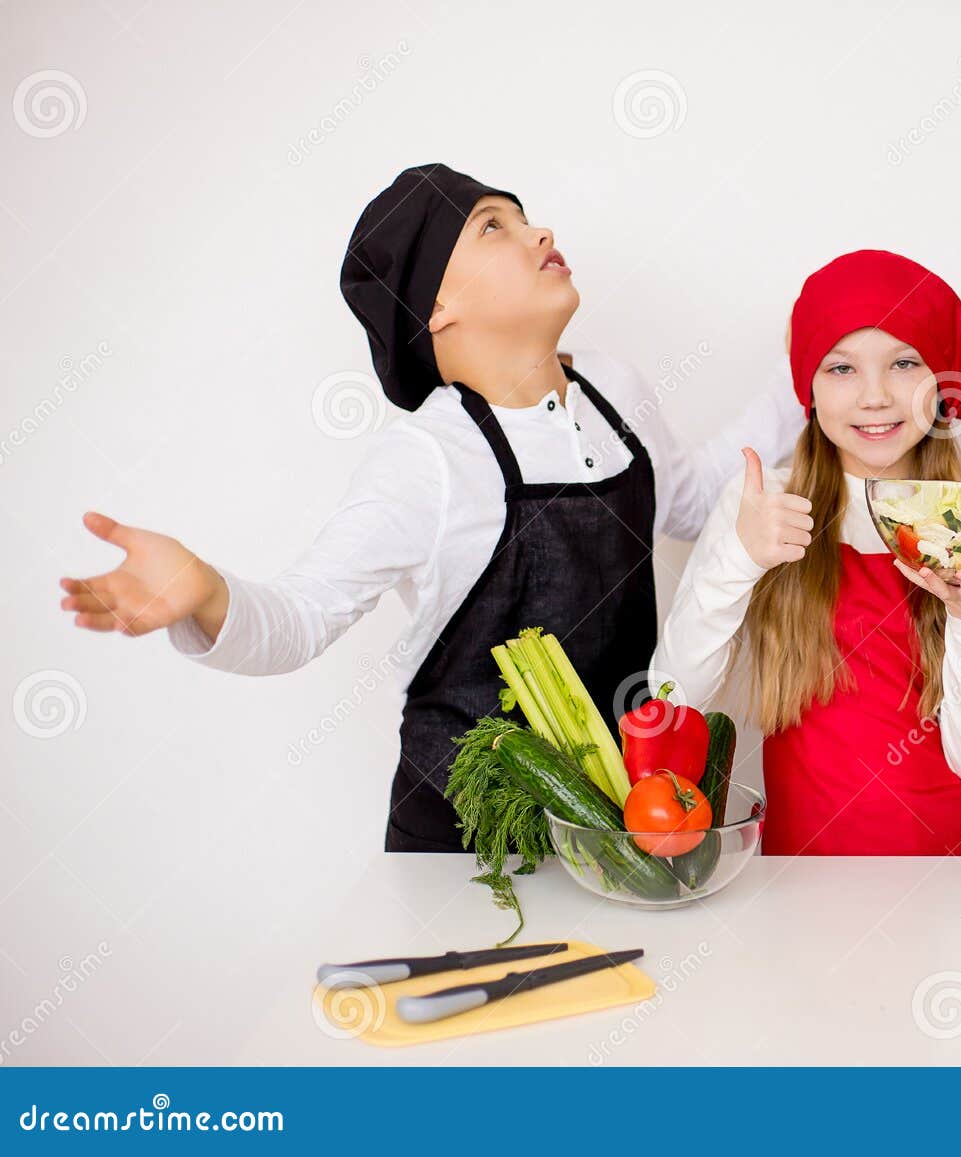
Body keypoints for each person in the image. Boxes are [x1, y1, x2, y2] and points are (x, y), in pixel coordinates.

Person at [59, 163, 802, 851]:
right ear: (435, 306)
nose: (540, 233)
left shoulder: (616, 389)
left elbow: (699, 499)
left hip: (615, 832)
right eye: (492, 226)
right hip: (462, 852)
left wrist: (809, 370)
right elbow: (302, 616)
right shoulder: (430, 460)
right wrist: (208, 592)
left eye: (525, 218)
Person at [652, 249, 961, 855]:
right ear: (807, 387)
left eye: (904, 363)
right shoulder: (761, 503)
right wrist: (740, 561)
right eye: (841, 369)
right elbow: (674, 698)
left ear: (941, 384)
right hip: (804, 872)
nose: (875, 396)